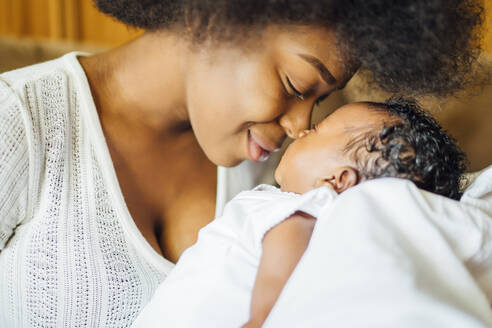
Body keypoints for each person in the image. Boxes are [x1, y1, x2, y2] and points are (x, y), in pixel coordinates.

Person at [0, 1, 484, 327]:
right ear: (217, 15)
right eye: (296, 85)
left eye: (319, 102)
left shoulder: (277, 174)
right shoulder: (17, 122)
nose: (300, 125)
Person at [132, 98, 467, 328]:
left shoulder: (299, 209)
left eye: (317, 131)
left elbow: (280, 272)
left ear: (335, 181)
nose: (303, 131)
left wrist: (261, 318)